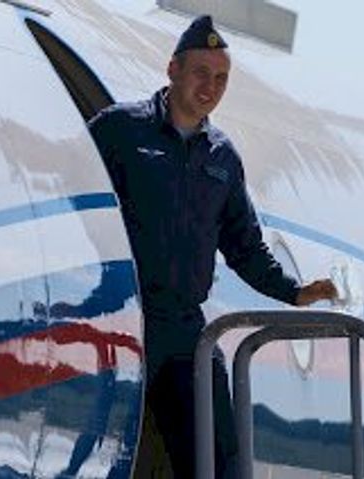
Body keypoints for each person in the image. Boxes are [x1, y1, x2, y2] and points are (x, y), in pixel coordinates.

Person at [88, 15, 338, 478]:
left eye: (221, 78)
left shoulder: (222, 156)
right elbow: (74, 189)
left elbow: (245, 246)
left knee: (220, 458)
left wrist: (293, 291)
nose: (210, 87)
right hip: (122, 313)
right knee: (94, 439)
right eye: (201, 73)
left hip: (181, 326)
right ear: (173, 69)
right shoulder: (119, 130)